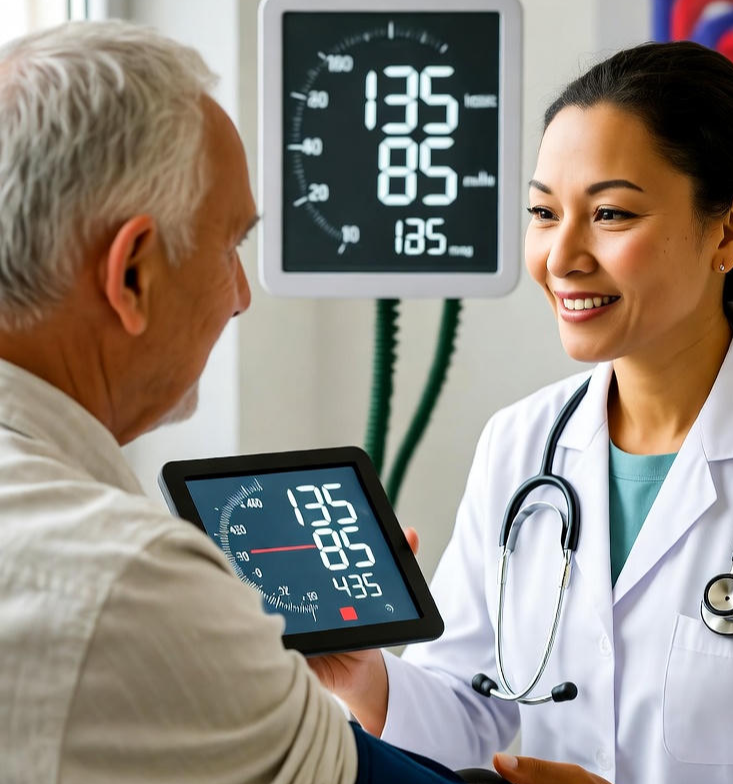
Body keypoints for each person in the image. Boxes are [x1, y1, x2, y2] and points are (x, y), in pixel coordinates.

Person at [0, 20, 501, 784]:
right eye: (231, 243)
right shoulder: (132, 580)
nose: (241, 296)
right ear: (132, 272)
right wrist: (222, 635)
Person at [311, 41, 733, 783]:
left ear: (731, 229)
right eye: (542, 211)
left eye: (610, 214)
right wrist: (363, 676)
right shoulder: (522, 443)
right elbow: (476, 712)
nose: (560, 256)